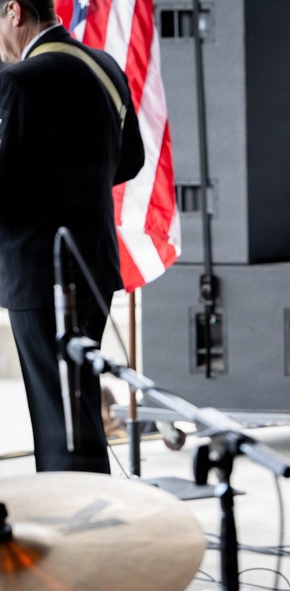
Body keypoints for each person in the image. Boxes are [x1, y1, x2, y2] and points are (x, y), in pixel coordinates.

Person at [0, 0, 144, 473]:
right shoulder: (103, 67)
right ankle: (94, 519)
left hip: (38, 274)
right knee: (76, 411)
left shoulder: (19, 81)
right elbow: (131, 160)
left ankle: (80, 529)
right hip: (93, 266)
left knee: (57, 418)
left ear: (14, 12)